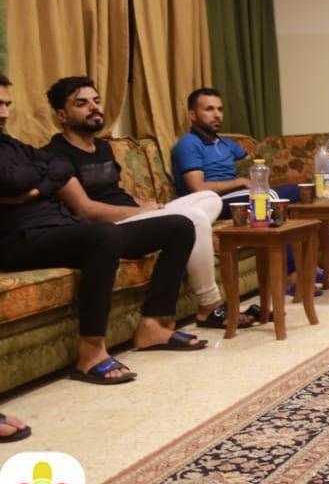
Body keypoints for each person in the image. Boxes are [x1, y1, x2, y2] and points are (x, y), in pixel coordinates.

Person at [0, 74, 203, 387]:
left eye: (7, 104)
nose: (4, 112)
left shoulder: (10, 144)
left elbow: (59, 168)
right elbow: (16, 178)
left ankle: (153, 325)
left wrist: (32, 189)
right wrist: (35, 180)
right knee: (102, 234)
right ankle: (91, 354)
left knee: (179, 226)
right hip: (18, 239)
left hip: (60, 229)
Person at [43, 76, 253, 330]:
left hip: (134, 216)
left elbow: (113, 191)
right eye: (82, 103)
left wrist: (145, 203)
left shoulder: (102, 148)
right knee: (195, 220)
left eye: (96, 101)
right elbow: (85, 209)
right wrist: (139, 210)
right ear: (62, 115)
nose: (94, 107)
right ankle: (209, 306)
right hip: (108, 230)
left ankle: (185, 230)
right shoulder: (55, 155)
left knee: (208, 199)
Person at [170, 87, 301, 214]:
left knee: (299, 189)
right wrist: (240, 182)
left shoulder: (227, 144)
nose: (217, 115)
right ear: (193, 115)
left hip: (235, 195)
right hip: (208, 202)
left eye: (220, 109)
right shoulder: (188, 144)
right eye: (209, 109)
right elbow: (198, 188)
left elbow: (252, 164)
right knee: (266, 197)